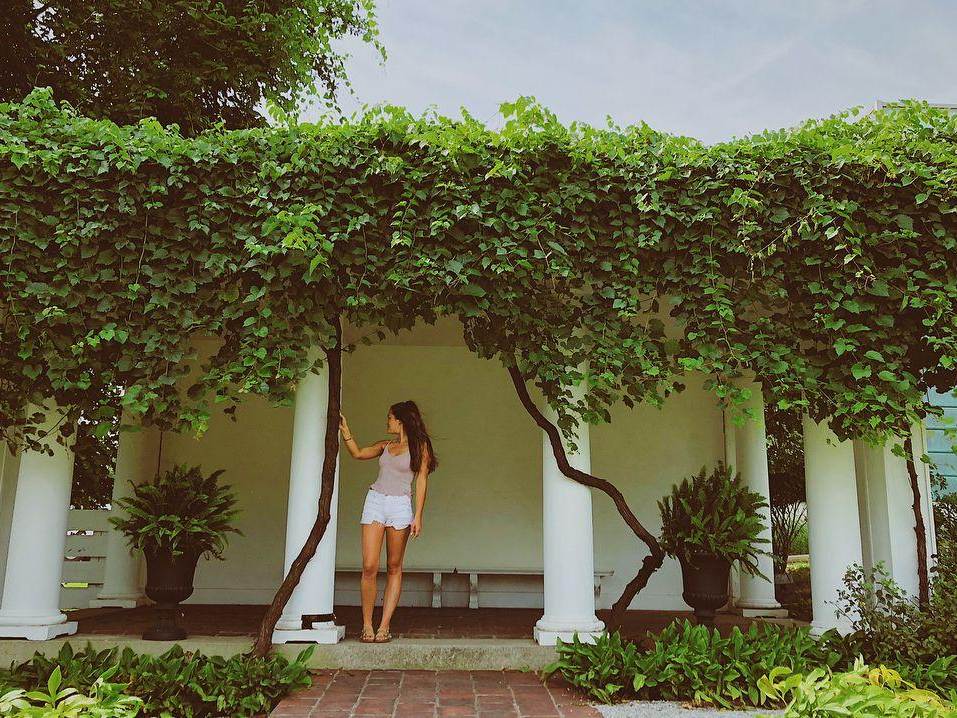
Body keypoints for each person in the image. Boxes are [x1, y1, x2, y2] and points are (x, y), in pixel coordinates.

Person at [338, 400, 438, 643]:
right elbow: (358, 453)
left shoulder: (420, 447)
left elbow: (422, 480)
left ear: (400, 421)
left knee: (394, 566)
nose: (387, 421)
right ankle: (367, 625)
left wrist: (418, 515)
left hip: (400, 505)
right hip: (375, 501)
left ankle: (384, 626)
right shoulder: (385, 445)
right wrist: (346, 431)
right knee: (369, 565)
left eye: (390, 417)